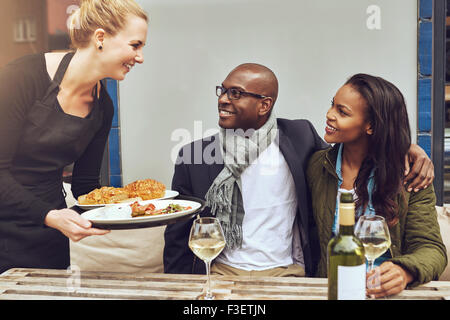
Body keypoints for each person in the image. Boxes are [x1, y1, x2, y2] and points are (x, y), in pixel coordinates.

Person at [163, 63, 434, 277]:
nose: (223, 99)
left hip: (287, 274)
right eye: (222, 91)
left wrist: (405, 148)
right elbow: (178, 236)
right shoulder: (195, 157)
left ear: (264, 104)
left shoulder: (301, 139)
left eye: (235, 93)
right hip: (221, 273)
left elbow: (367, 146)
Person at [0, 0, 148, 274]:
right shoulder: (20, 77)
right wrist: (49, 216)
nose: (140, 57)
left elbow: (85, 185)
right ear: (100, 38)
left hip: (49, 236)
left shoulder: (103, 106)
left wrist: (133, 205)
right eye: (135, 45)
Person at [307, 73, 447, 297]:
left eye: (342, 112)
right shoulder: (318, 166)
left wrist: (404, 271)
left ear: (371, 125)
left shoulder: (409, 175)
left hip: (384, 292)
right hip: (331, 290)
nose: (329, 115)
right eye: (332, 105)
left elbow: (431, 249)